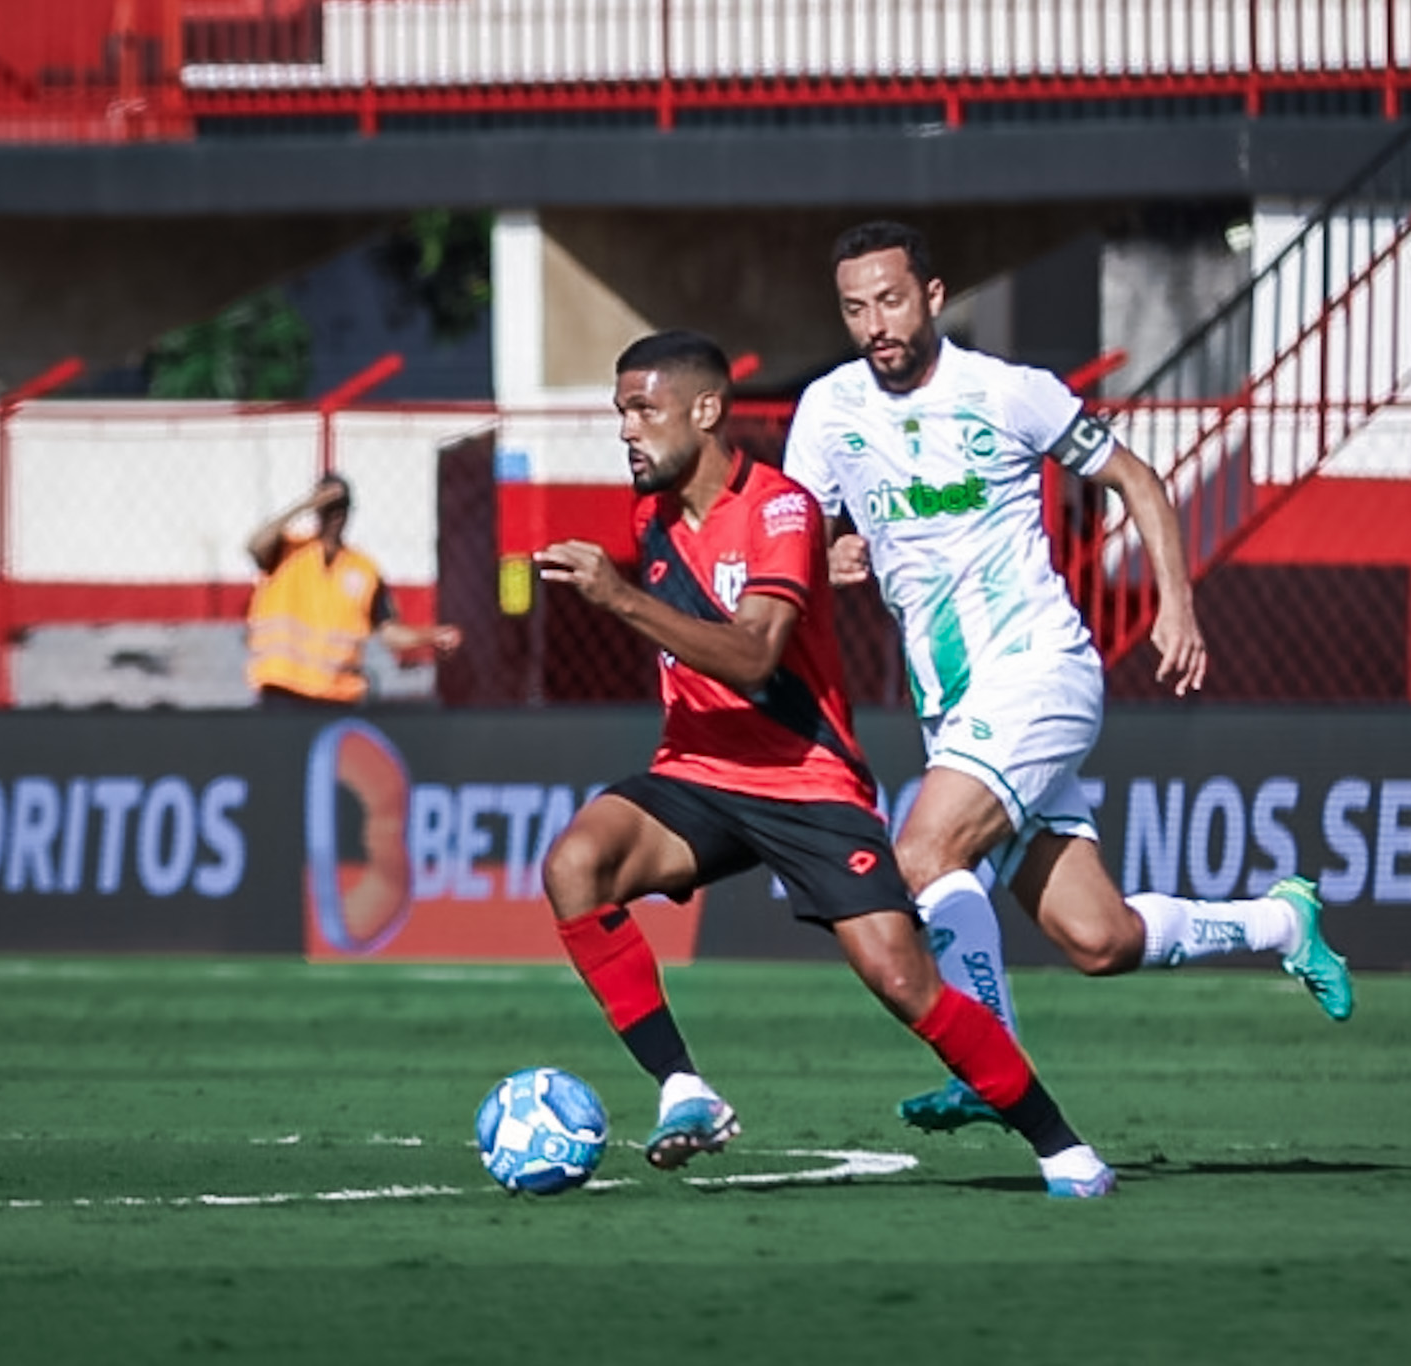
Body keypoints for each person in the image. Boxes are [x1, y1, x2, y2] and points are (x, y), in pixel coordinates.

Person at [783, 220, 1354, 1133]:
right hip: (955, 707)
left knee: (924, 854)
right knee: (1099, 938)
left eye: (890, 300)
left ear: (933, 296)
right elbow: (797, 534)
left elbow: (1137, 478)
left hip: (1040, 673)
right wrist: (831, 550)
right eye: (856, 308)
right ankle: (1281, 924)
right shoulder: (829, 411)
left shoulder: (1008, 393)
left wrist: (1176, 604)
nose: (875, 324)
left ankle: (988, 1067)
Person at [535, 329, 1118, 1197]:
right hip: (697, 769)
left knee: (900, 977)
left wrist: (616, 597)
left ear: (706, 412)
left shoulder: (782, 511)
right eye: (622, 411)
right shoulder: (650, 514)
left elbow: (755, 657)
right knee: (574, 865)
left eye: (643, 409)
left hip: (807, 782)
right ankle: (685, 1088)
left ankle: (1061, 1145)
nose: (627, 429)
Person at [244, 473, 462, 708]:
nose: (335, 516)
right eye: (328, 508)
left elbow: (389, 632)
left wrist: (431, 636)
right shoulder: (286, 551)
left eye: (341, 508)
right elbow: (255, 544)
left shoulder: (364, 569)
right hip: (282, 689)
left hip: (337, 696)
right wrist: (306, 504)